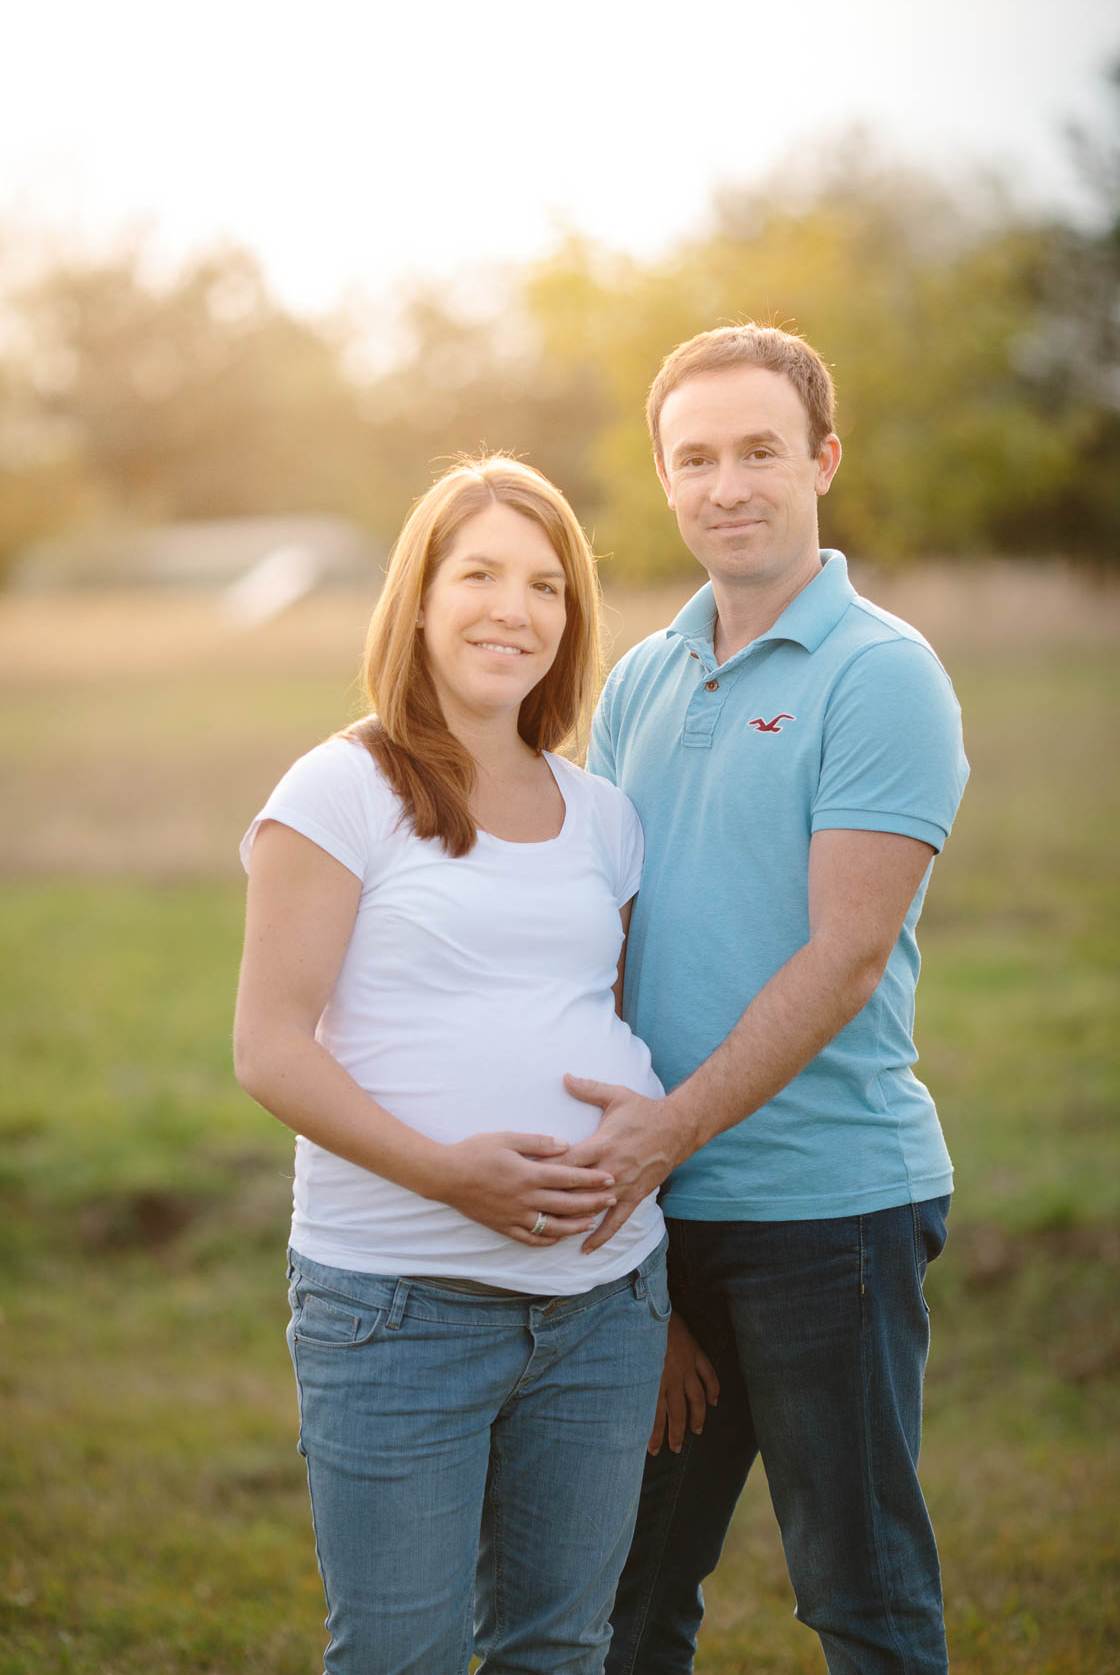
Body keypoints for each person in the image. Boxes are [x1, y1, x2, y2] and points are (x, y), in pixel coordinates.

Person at [561, 324, 970, 1674]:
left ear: (823, 462)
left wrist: (664, 1138)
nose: (726, 485)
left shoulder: (882, 672)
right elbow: (599, 943)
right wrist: (640, 1209)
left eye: (758, 452)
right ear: (665, 478)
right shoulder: (639, 675)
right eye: (695, 458)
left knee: (862, 1598)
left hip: (829, 1215)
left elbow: (845, 956)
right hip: (661, 1217)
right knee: (621, 1596)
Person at [233, 455, 673, 1675]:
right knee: (398, 1655)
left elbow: (609, 1026)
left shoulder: (604, 816)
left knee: (559, 1648)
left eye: (545, 585)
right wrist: (447, 1174)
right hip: (397, 1306)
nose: (511, 609)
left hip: (603, 1308)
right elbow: (267, 1048)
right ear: (418, 598)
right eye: (477, 573)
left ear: (569, 622)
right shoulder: (342, 787)